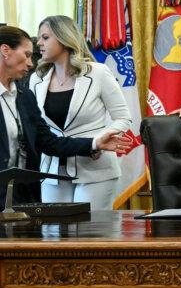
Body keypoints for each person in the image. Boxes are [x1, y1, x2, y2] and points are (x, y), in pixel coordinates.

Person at [0, 26, 127, 220]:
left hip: (24, 203)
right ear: (5, 51)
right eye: (26, 55)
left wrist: (94, 143)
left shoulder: (25, 96)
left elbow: (48, 142)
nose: (31, 63)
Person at [28, 16, 133, 210]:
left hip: (95, 169)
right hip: (52, 171)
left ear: (64, 38)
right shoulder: (36, 78)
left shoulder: (98, 73)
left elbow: (123, 117)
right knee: (54, 234)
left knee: (89, 233)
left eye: (45, 37)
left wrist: (97, 143)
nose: (39, 43)